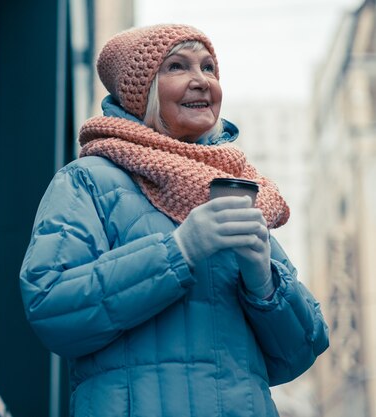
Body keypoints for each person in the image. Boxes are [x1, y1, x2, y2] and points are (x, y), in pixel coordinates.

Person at [19, 24, 329, 417]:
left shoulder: (235, 189)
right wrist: (179, 251)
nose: (201, 81)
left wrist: (263, 282)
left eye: (209, 68)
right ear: (141, 91)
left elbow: (300, 352)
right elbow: (52, 308)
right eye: (178, 67)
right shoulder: (88, 180)